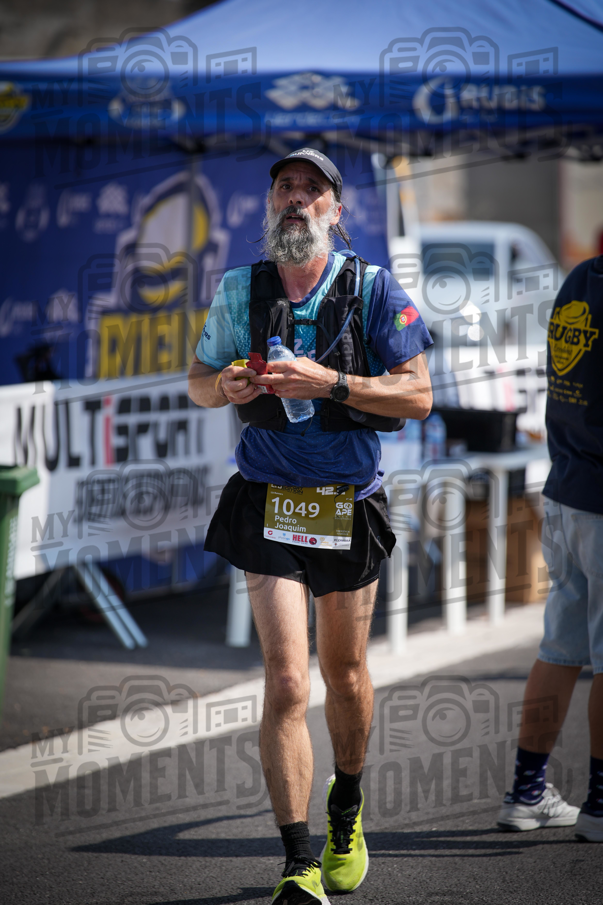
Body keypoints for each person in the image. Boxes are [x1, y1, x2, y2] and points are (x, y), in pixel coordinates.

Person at [189, 148, 433, 903]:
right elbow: (198, 384)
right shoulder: (240, 288)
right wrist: (224, 384)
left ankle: (346, 804)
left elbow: (418, 396)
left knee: (345, 674)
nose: (296, 199)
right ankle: (297, 861)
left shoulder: (372, 288)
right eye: (285, 188)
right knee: (287, 679)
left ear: (335, 209)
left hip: (345, 501)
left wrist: (331, 381)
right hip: (267, 496)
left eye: (311, 190)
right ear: (270, 206)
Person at [497, 254, 603, 842]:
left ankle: (526, 790)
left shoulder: (580, 279)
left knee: (561, 647)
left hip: (564, 487)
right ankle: (600, 804)